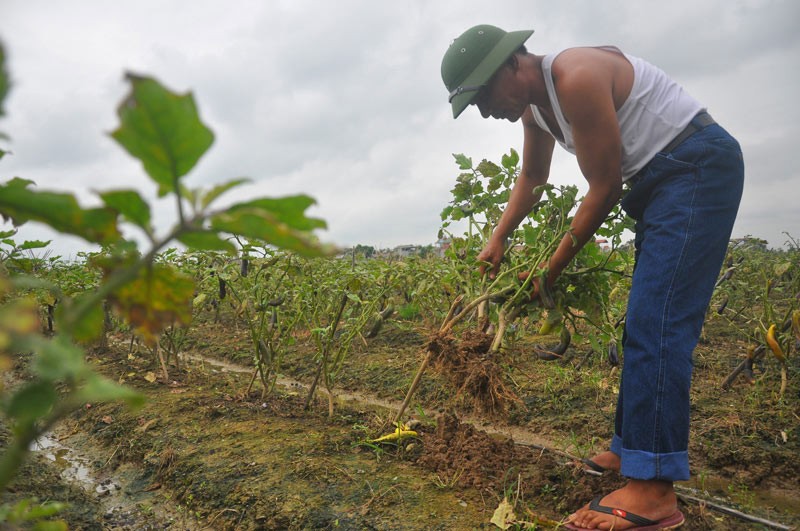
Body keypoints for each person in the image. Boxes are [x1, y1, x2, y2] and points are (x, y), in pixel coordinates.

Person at [440, 24, 743, 530]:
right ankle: (631, 451)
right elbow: (532, 178)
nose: (484, 110)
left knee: (658, 324)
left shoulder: (574, 77)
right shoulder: (536, 106)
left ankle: (653, 496)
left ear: (512, 64)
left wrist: (550, 271)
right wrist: (497, 238)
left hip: (695, 167)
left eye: (482, 96)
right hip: (661, 180)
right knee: (644, 323)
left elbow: (602, 188)